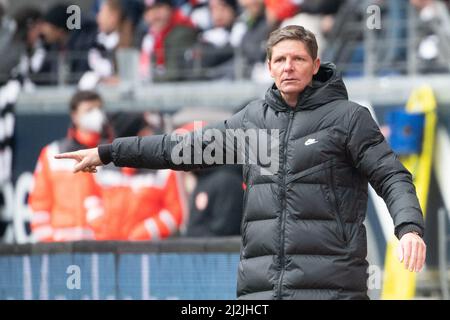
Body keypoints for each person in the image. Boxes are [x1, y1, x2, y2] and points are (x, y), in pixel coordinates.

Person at [55, 25, 426, 300]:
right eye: (280, 59)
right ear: (268, 66)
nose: (288, 67)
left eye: (297, 58)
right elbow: (179, 148)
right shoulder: (252, 121)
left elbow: (392, 176)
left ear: (315, 65)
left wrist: (409, 227)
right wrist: (109, 153)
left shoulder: (349, 118)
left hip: (331, 290)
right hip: (259, 294)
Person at [90, 112, 188, 240]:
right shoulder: (102, 168)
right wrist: (101, 228)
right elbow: (90, 200)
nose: (150, 135)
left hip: (146, 250)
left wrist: (145, 232)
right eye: (145, 132)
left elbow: (174, 213)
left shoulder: (163, 171)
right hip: (108, 248)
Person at [29, 90, 107, 242]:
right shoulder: (52, 154)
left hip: (102, 248)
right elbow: (39, 204)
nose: (96, 114)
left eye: (99, 109)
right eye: (89, 110)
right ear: (75, 116)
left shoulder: (111, 154)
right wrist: (48, 243)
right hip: (61, 247)